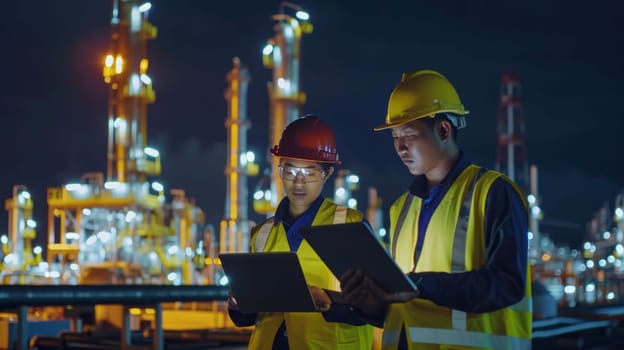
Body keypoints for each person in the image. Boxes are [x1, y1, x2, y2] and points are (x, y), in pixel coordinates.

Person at [338, 70, 532, 350]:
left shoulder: (493, 193)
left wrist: (420, 285)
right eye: (394, 136)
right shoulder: (401, 210)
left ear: (443, 130)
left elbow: (507, 284)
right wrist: (373, 304)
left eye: (408, 134)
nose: (400, 147)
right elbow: (404, 311)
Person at [228, 115, 374, 349]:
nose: (298, 182)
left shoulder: (349, 224)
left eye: (310, 172)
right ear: (280, 169)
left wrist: (328, 303)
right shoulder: (262, 234)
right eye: (290, 170)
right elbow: (252, 315)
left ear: (326, 174)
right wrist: (238, 305)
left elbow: (375, 305)